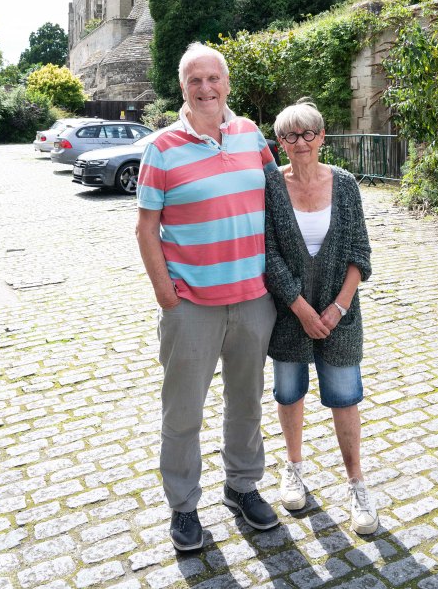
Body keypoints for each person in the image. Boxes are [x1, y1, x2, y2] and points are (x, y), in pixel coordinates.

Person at [135, 42, 279, 552]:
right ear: (183, 89)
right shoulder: (162, 147)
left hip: (253, 298)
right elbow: (146, 227)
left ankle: (242, 487)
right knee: (183, 412)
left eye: (213, 78)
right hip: (191, 304)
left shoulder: (250, 136)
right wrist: (165, 295)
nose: (205, 88)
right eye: (195, 80)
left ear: (227, 84)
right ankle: (184, 507)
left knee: (246, 403)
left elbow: (276, 198)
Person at [264, 99, 378, 534]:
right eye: (291, 135)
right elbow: (269, 254)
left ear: (323, 137)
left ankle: (356, 483)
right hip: (289, 315)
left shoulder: (345, 184)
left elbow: (360, 253)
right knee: (289, 392)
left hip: (341, 316)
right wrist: (301, 308)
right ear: (280, 142)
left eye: (309, 133)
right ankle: (293, 468)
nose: (301, 142)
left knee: (345, 397)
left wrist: (337, 307)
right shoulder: (271, 185)